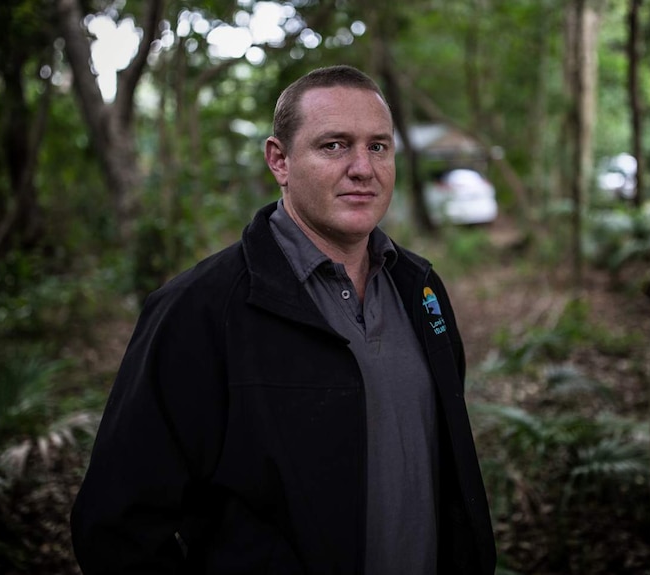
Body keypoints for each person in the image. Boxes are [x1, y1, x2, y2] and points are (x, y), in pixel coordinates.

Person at [70, 64, 496, 575]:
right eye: (334, 145)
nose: (363, 167)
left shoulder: (420, 289)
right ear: (280, 160)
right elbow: (117, 527)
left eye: (378, 147)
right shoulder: (200, 309)